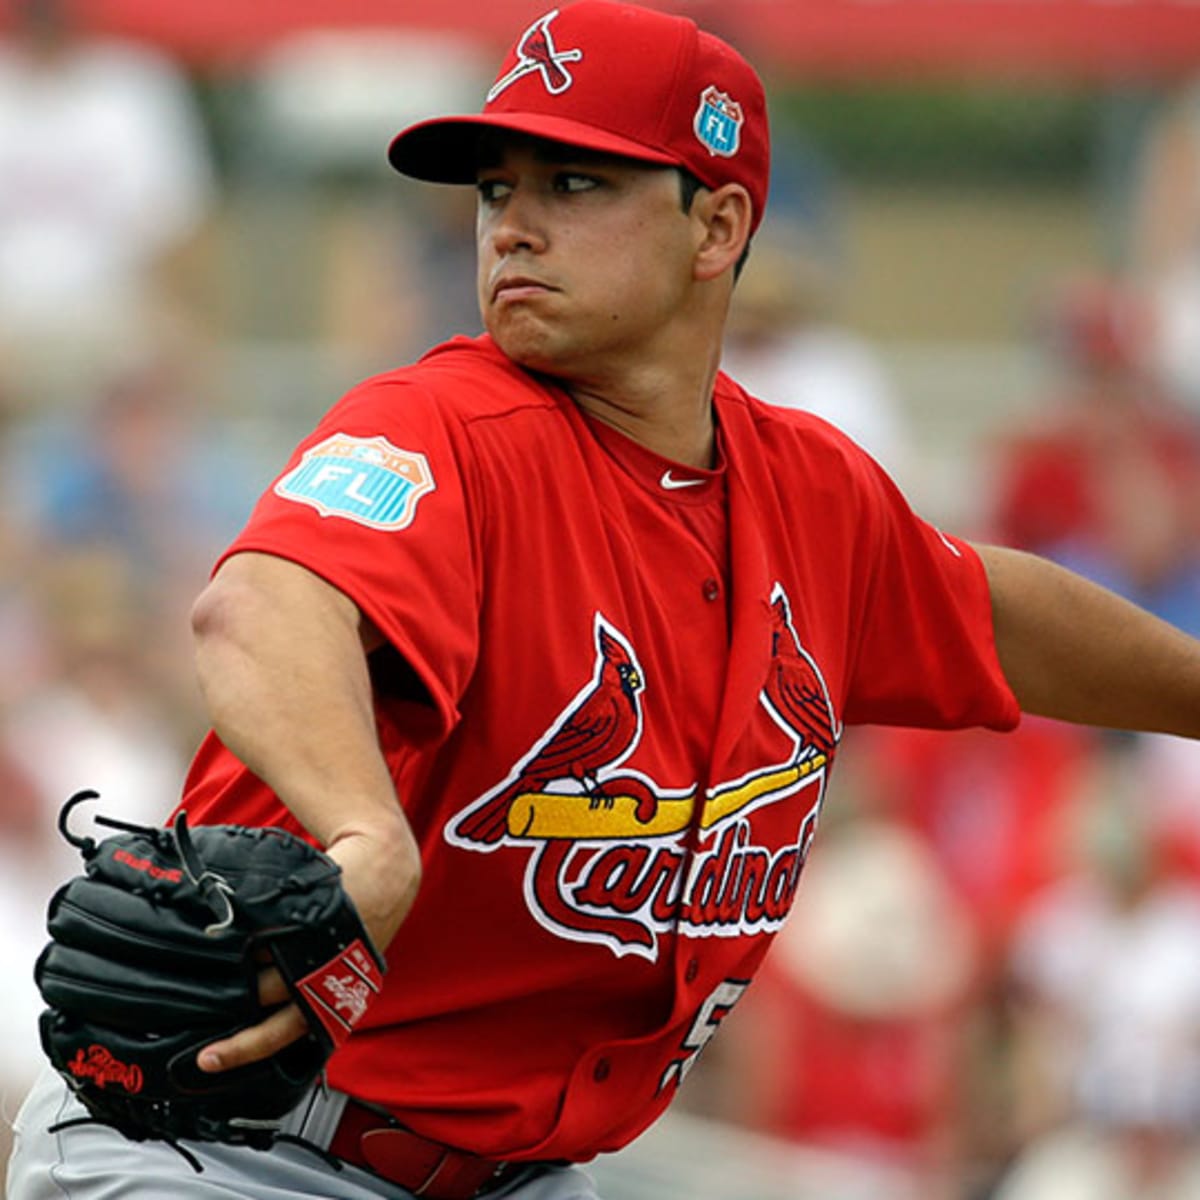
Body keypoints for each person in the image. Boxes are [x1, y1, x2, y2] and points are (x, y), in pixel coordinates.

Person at [8, 3, 1200, 1198]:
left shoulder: (810, 495)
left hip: (523, 1171)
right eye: (493, 191)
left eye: (573, 184)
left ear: (717, 225)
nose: (513, 226)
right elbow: (265, 604)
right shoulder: (446, 429)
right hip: (230, 1152)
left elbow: (991, 612)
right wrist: (363, 828)